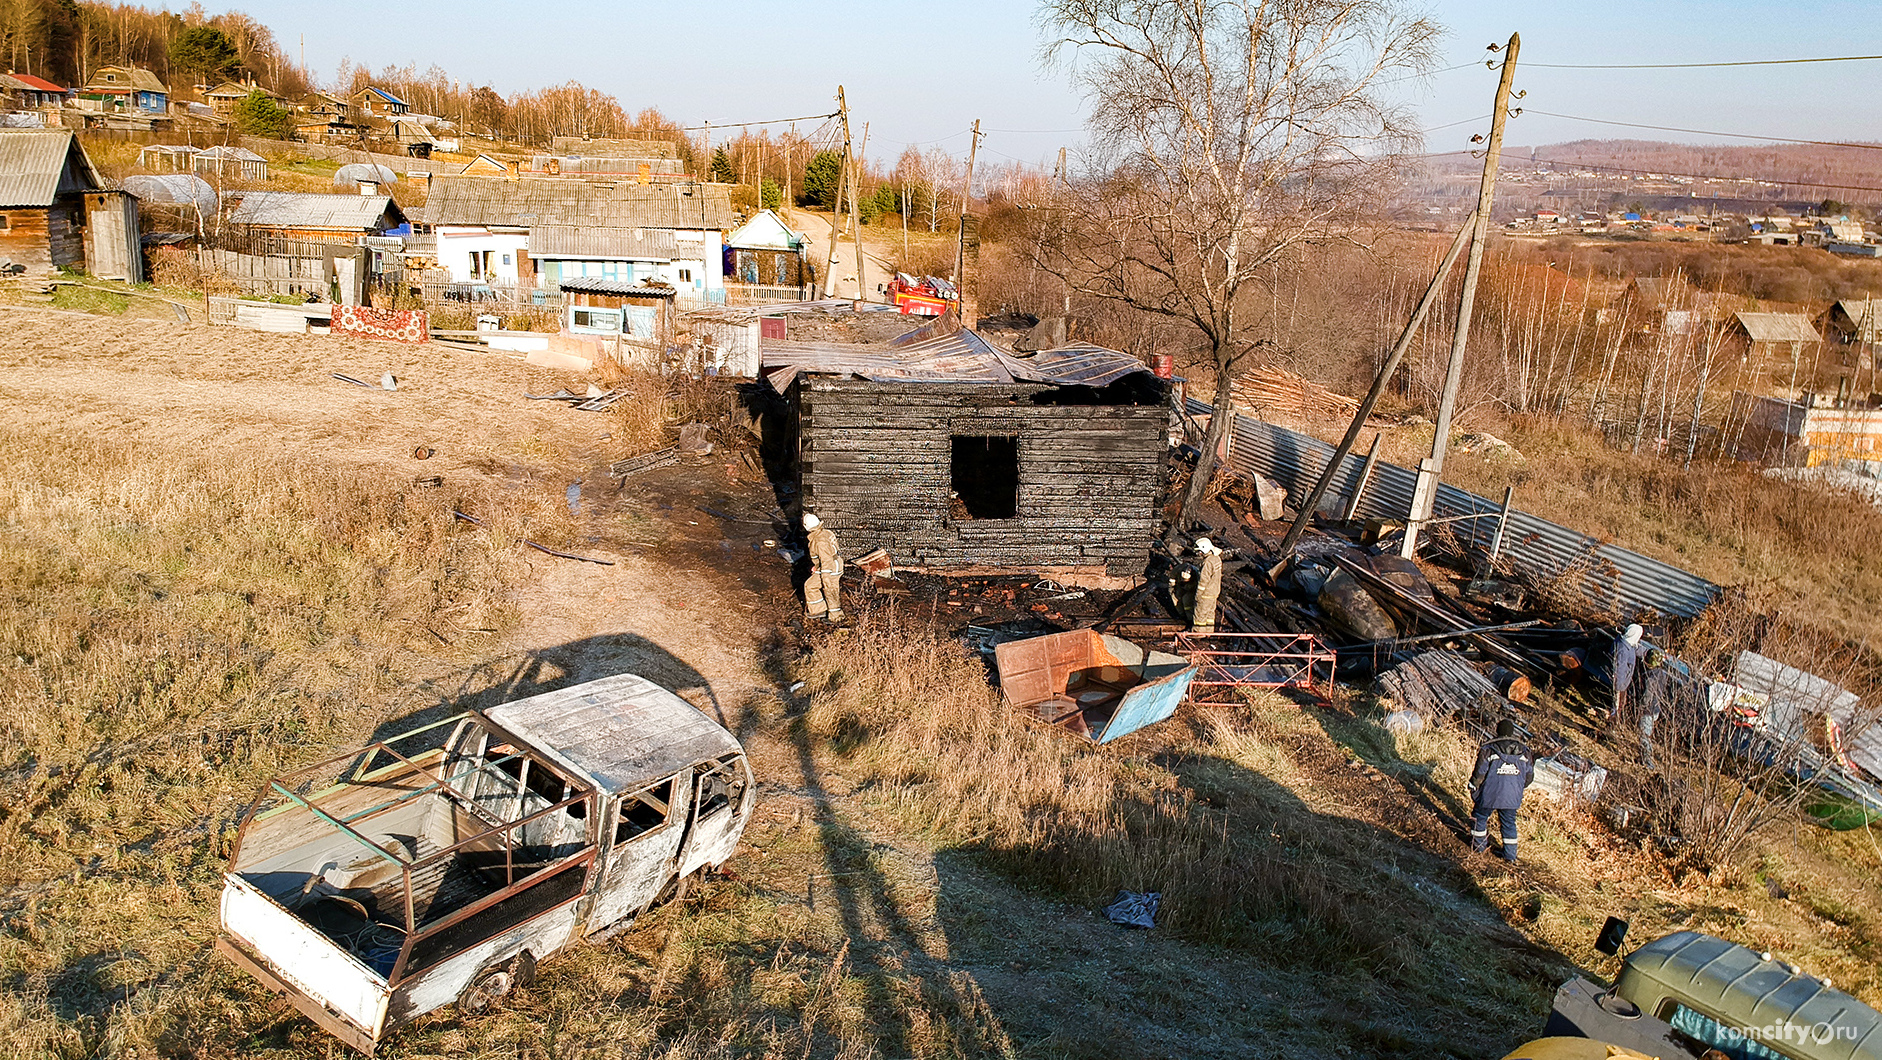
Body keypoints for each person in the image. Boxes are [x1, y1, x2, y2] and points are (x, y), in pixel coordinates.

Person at [1469, 718, 1535, 864]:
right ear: (1512, 732)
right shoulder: (1524, 751)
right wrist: (1517, 788)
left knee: (1479, 817)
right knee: (1509, 823)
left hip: (1489, 793)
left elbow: (1480, 772)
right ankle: (1510, 856)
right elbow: (1529, 777)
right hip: (1512, 796)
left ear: (1497, 731)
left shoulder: (1489, 748)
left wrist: (1473, 785)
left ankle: (1478, 847)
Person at [801, 512, 844, 623]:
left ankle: (837, 618)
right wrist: (817, 567)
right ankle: (819, 610)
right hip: (833, 564)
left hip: (830, 568)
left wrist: (825, 576)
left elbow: (826, 559)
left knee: (830, 589)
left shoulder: (819, 541)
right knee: (810, 586)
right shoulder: (825, 533)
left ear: (806, 527)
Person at [1610, 624, 1645, 723]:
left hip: (1624, 682)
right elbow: (1619, 669)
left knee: (1621, 704)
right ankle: (1612, 724)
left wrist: (1650, 653)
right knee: (1617, 706)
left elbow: (1637, 649)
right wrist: (1618, 687)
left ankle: (1614, 722)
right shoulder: (1623, 650)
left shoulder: (1628, 643)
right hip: (1620, 683)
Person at [1190, 538, 1223, 634]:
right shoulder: (1216, 558)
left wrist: (1198, 595)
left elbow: (1203, 580)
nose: (1199, 554)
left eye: (1199, 551)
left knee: (1200, 614)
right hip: (1214, 592)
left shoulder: (1207, 562)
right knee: (1210, 614)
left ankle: (1197, 634)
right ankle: (1209, 632)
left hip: (1206, 593)